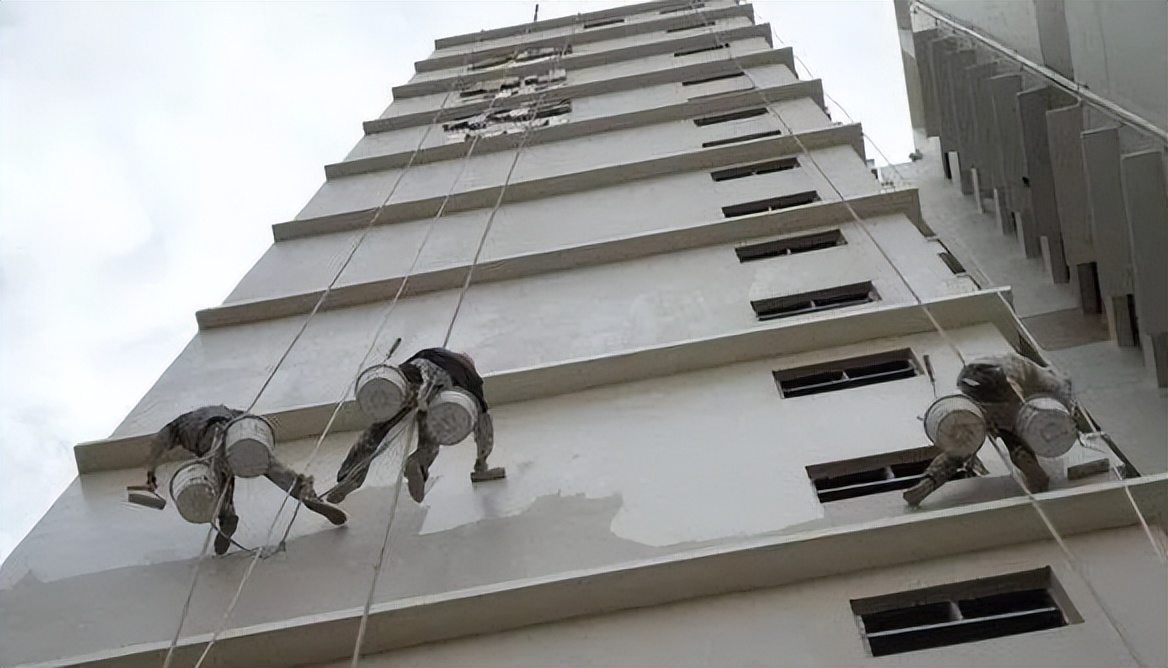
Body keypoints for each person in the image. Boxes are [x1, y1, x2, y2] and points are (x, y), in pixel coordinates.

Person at [140, 405, 347, 555]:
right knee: (268, 466)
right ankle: (305, 494)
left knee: (219, 482)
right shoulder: (225, 409)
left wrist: (151, 472)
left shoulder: (176, 426)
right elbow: (254, 428)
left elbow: (157, 444)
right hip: (237, 434)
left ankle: (227, 517)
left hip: (209, 439)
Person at [328, 347, 505, 504]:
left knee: (377, 431)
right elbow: (484, 426)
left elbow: (396, 374)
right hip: (441, 397)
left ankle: (349, 476)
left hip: (407, 386)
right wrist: (481, 462)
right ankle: (417, 462)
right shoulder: (471, 378)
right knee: (431, 439)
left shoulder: (433, 353)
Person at [904, 353, 1075, 507]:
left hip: (975, 391)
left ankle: (930, 480)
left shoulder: (999, 365)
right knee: (1014, 436)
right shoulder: (1040, 377)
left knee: (964, 441)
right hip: (1005, 398)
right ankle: (1033, 472)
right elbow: (1058, 401)